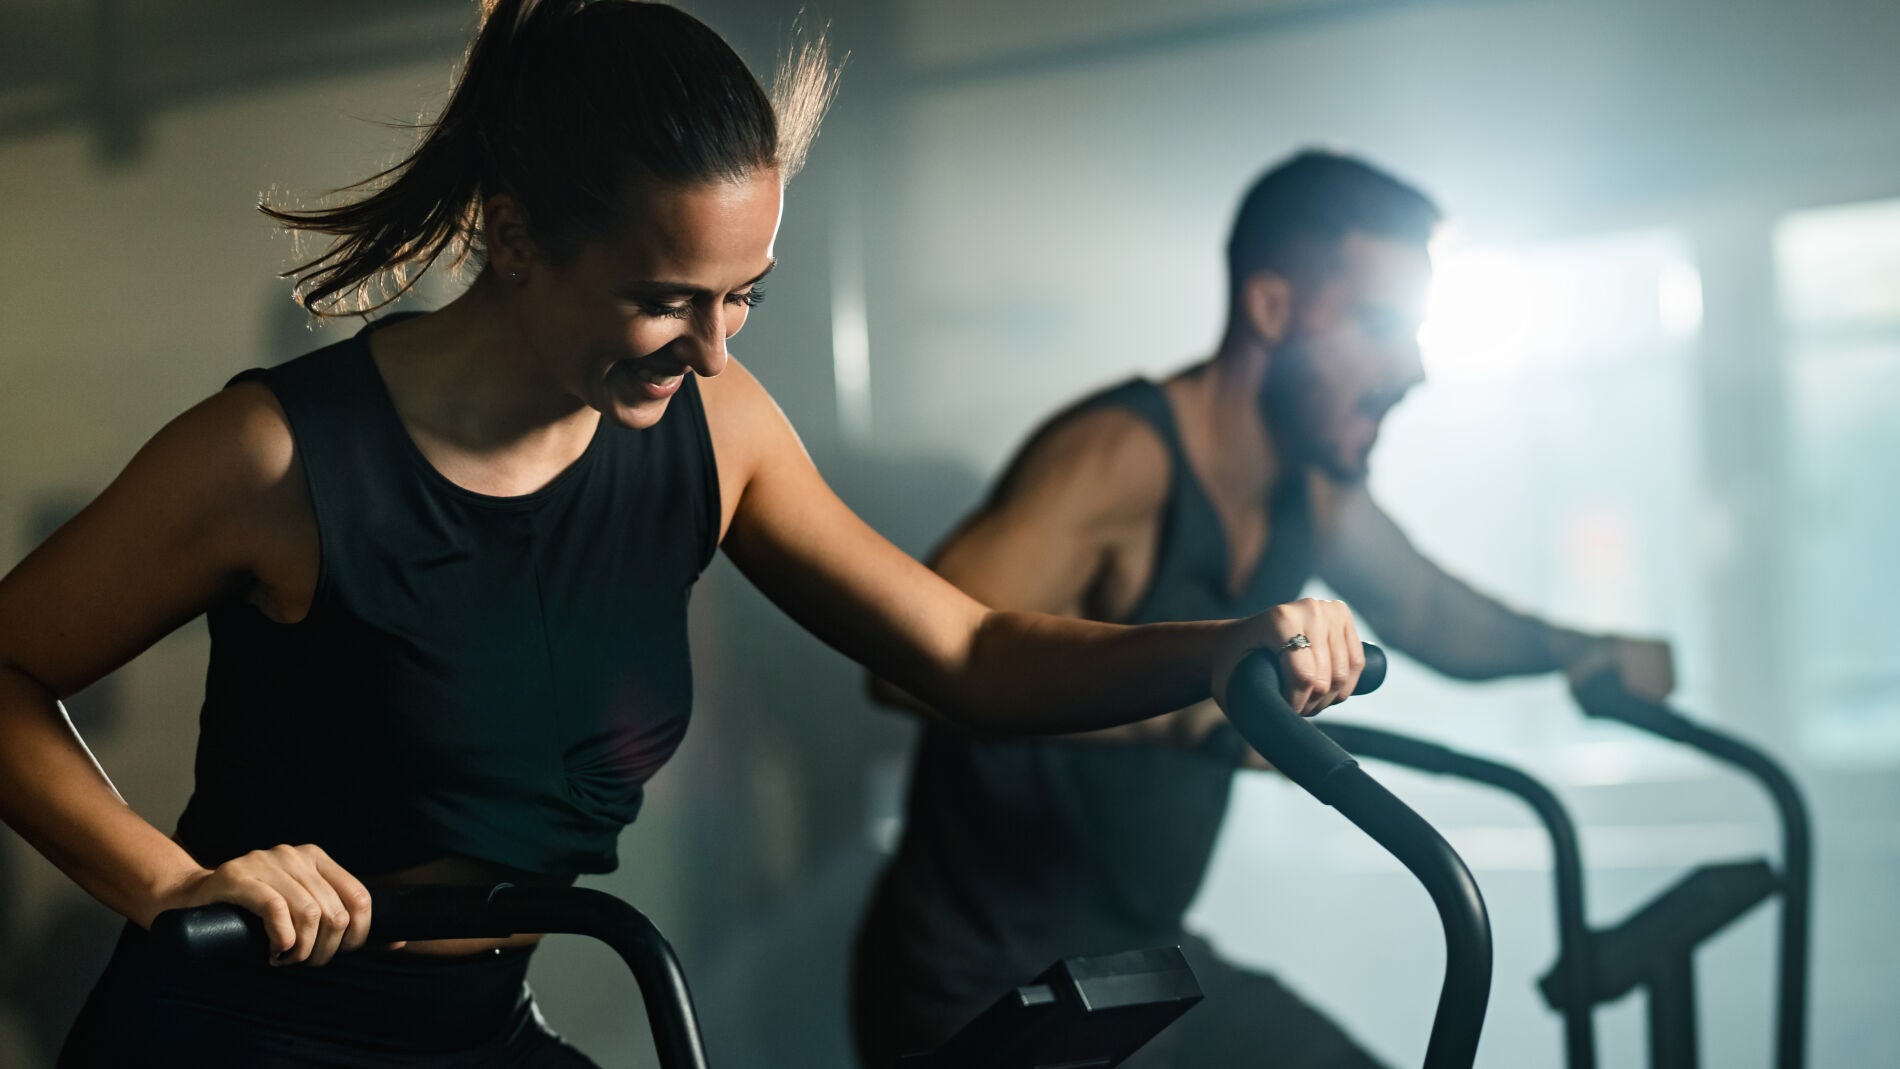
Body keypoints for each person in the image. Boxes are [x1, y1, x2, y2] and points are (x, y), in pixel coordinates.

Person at [0, 5, 1372, 1066]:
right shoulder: (281, 455)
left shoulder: (715, 431)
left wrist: (1223, 650)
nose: (713, 350)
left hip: (477, 1026)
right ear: (516, 234)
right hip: (247, 1033)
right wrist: (172, 882)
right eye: (665, 299)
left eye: (747, 297)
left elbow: (965, 646)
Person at [850, 151, 1678, 1068]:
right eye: (1377, 325)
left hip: (1138, 967)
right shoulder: (1125, 455)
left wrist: (1581, 649)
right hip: (981, 989)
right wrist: (1188, 710)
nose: (1412, 368)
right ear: (1272, 308)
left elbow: (1431, 611)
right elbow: (905, 664)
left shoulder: (1309, 482)